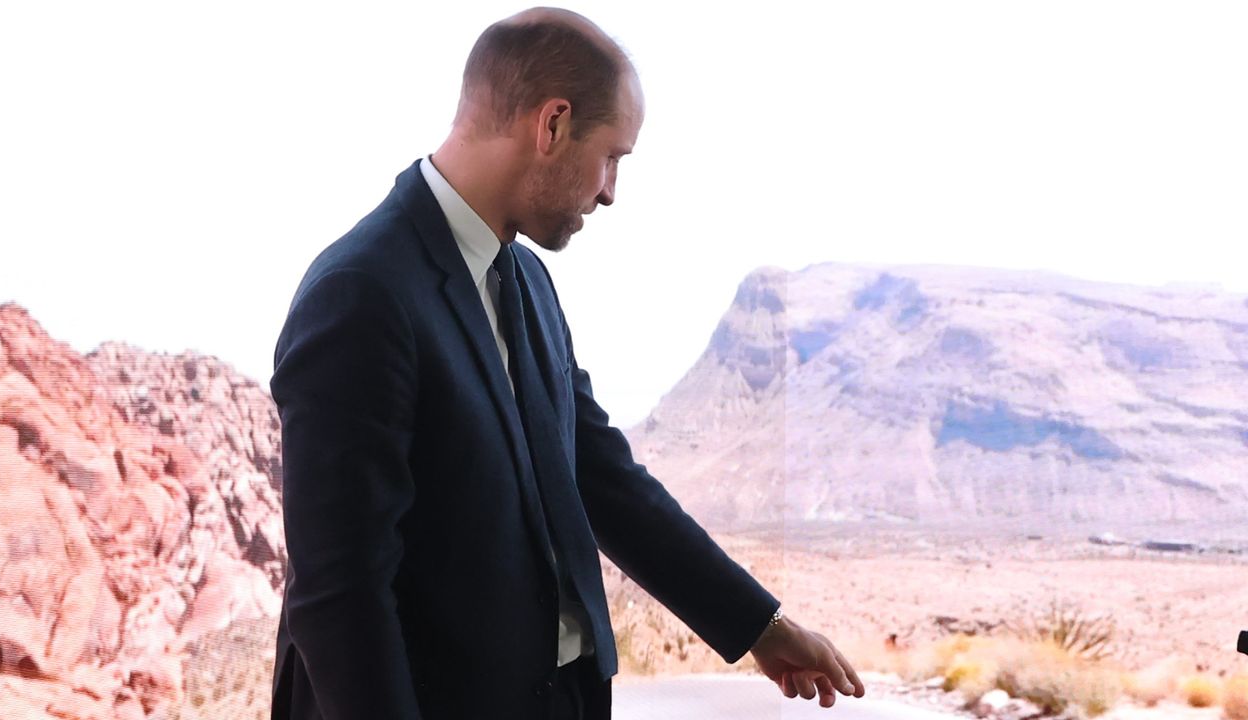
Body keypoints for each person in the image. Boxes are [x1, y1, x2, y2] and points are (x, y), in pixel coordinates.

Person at [269, 7, 865, 719]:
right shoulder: (362, 294)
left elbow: (601, 478)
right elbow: (340, 596)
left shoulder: (527, 282)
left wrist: (761, 629)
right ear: (551, 125)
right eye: (613, 156)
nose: (611, 190)